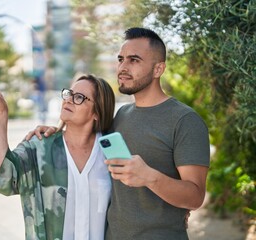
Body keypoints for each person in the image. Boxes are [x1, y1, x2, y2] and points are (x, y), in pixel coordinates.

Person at [26, 27, 210, 239]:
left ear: (158, 69)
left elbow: (195, 197)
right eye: (121, 59)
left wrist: (150, 177)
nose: (123, 67)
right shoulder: (121, 116)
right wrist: (57, 129)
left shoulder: (186, 121)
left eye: (134, 60)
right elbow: (85, 133)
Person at [0, 71, 115, 240]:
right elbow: (0, 178)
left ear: (97, 112)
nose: (68, 99)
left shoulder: (111, 153)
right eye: (68, 93)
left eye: (79, 97)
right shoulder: (39, 147)